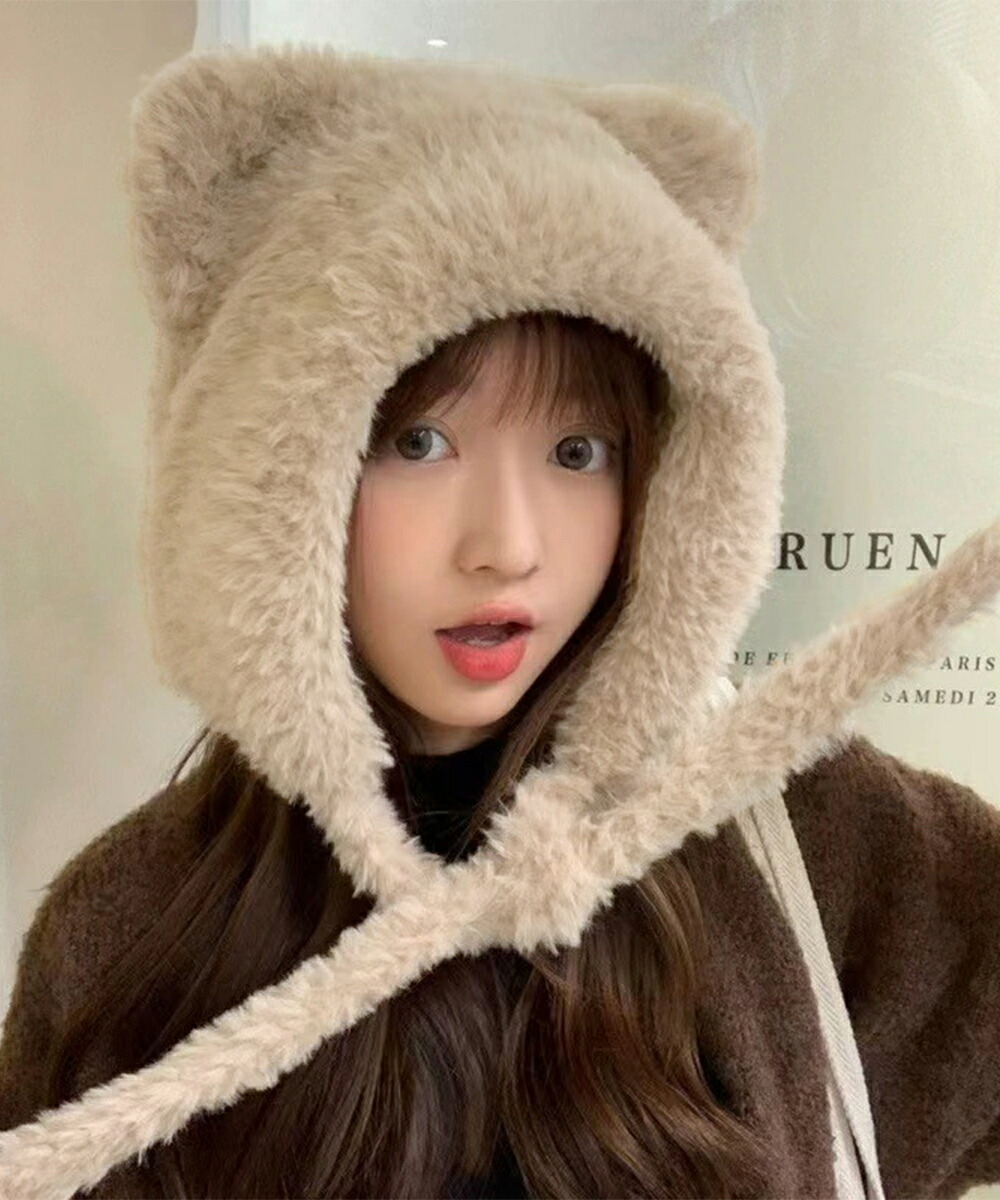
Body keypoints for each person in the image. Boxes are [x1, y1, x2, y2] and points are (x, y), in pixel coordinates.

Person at [0, 42, 999, 1200]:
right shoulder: (133, 932)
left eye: (578, 451)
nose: (508, 545)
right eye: (419, 441)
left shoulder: (813, 840)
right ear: (277, 474)